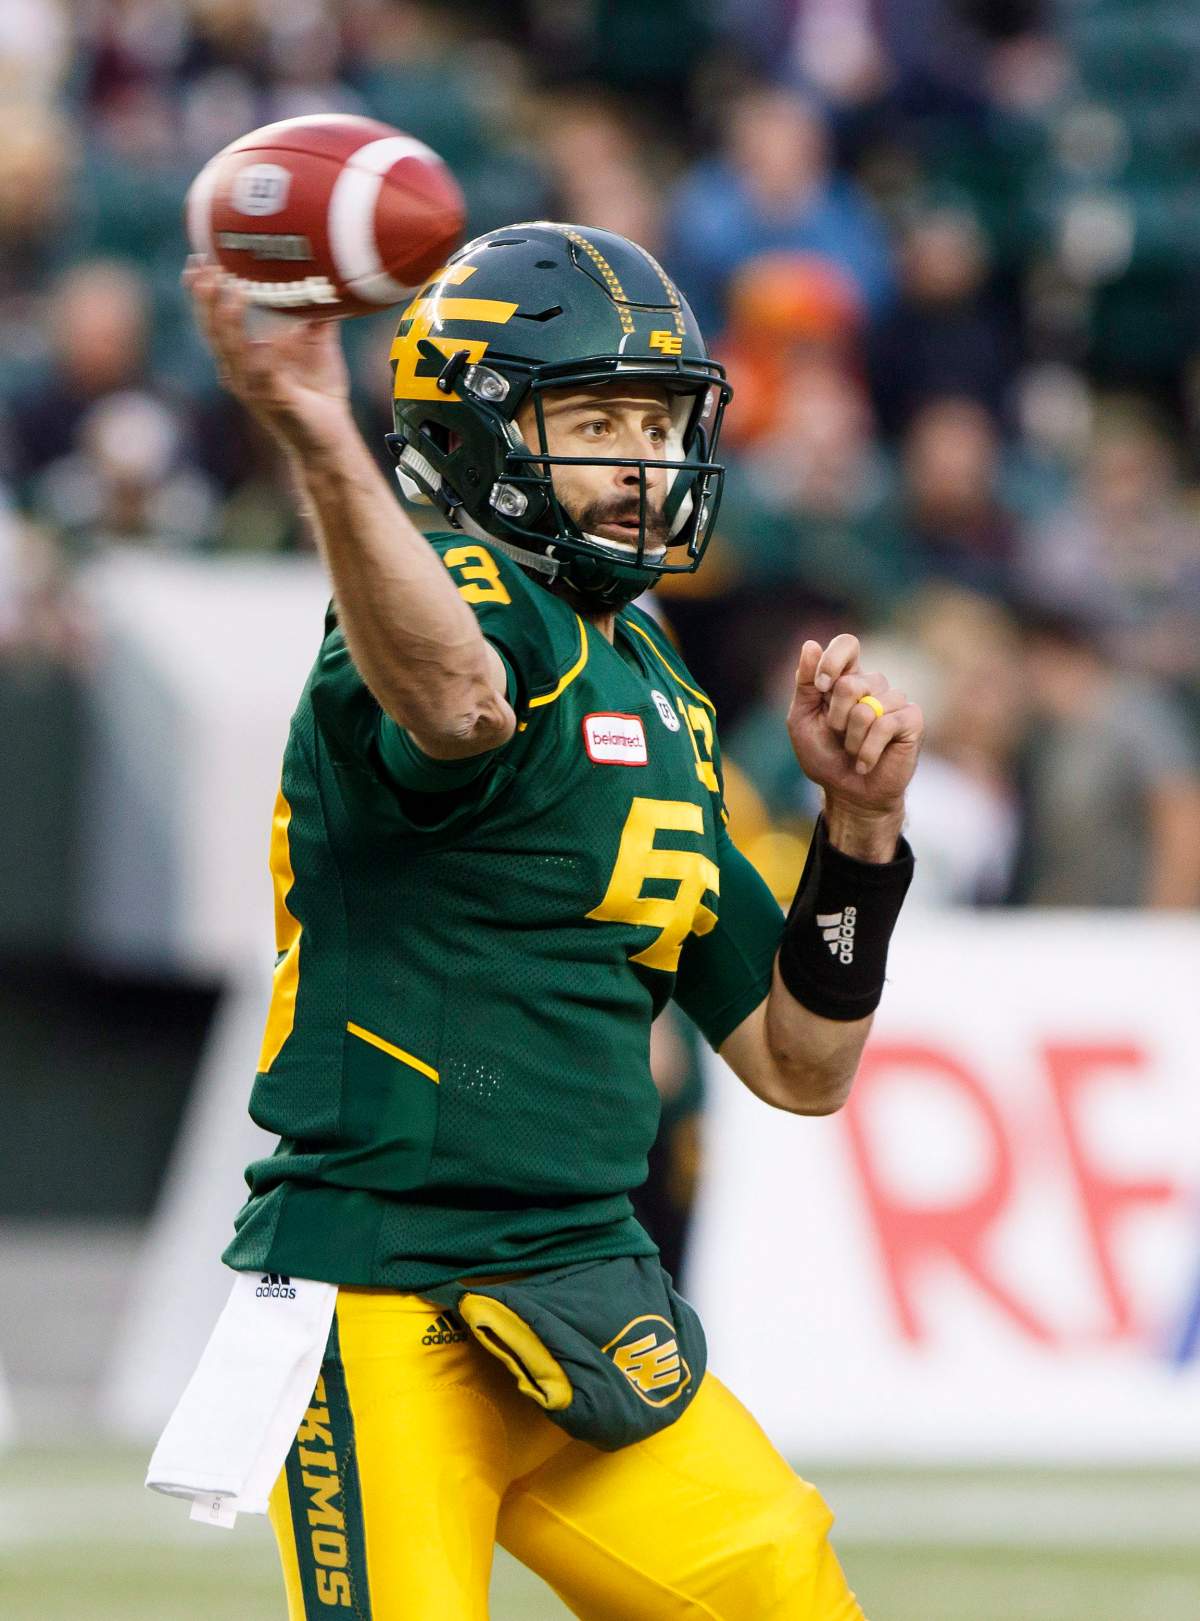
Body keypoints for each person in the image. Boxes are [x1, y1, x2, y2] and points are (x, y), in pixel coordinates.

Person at [165, 222, 922, 1619]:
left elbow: (798, 1062)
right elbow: (458, 700)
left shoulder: (663, 688)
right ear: (472, 440)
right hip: (384, 1291)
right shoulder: (453, 599)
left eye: (656, 421)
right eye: (595, 422)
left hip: (581, 1287)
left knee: (784, 1583)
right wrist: (328, 443)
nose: (645, 463)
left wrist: (860, 840)